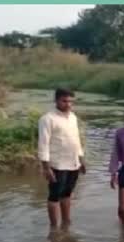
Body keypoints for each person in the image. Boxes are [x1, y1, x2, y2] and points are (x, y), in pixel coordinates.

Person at [38, 88, 86, 228]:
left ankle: (66, 222)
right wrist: (46, 168)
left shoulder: (73, 117)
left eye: (71, 101)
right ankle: (54, 228)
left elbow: (76, 139)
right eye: (64, 101)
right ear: (56, 101)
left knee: (67, 194)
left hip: (73, 162)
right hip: (57, 164)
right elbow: (43, 144)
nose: (68, 104)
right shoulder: (48, 119)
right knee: (54, 196)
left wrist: (81, 159)